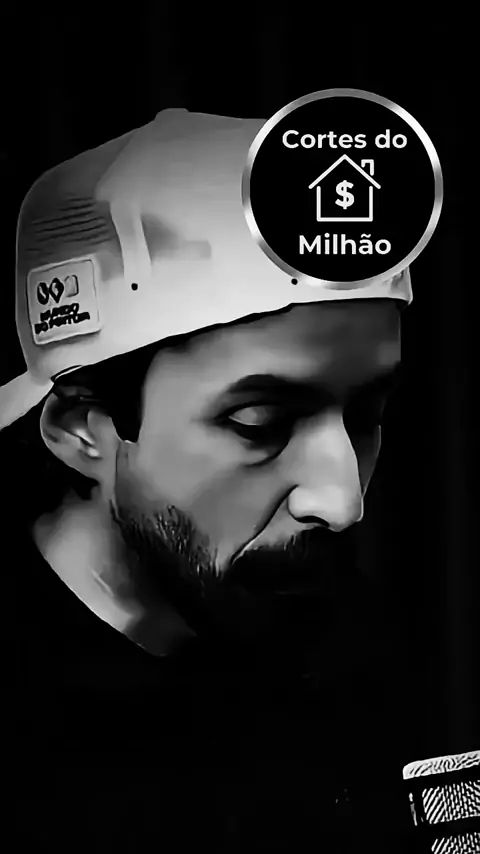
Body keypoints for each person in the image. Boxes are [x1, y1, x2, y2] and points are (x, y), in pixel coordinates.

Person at [6, 109, 418, 851]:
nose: (344, 501)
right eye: (260, 423)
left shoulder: (363, 650)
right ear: (83, 426)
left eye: (366, 414)